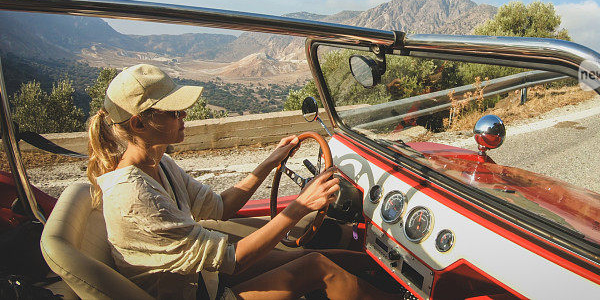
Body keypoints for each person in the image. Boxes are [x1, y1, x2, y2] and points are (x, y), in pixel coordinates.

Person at [85, 64, 394, 300]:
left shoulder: (160, 164)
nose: (184, 118)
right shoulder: (135, 195)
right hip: (197, 292)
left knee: (316, 255)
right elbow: (234, 259)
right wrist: (300, 207)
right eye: (175, 112)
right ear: (140, 123)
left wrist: (271, 160)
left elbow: (219, 207)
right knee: (317, 267)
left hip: (203, 276)